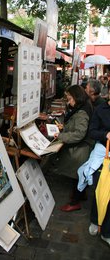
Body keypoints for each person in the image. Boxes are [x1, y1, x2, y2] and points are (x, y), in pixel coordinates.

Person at [77, 83, 110, 245]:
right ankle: (95, 220)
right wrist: (106, 134)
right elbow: (92, 132)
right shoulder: (101, 110)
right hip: (103, 155)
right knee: (99, 190)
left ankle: (106, 231)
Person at [53, 85, 95, 211]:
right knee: (78, 174)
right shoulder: (84, 106)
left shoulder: (82, 112)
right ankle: (81, 194)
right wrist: (65, 127)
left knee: (77, 174)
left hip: (81, 148)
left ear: (77, 97)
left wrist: (61, 135)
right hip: (83, 146)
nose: (69, 101)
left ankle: (74, 202)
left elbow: (79, 134)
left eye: (70, 98)